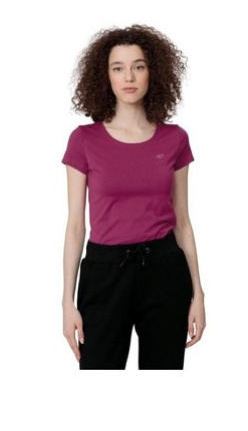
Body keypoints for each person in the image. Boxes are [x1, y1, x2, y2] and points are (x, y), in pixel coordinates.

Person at [61, 24, 205, 370]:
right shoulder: (84, 140)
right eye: (118, 68)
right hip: (104, 273)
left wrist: (198, 292)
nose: (129, 77)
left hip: (165, 270)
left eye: (138, 66)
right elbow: (76, 225)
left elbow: (182, 220)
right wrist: (67, 301)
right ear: (105, 76)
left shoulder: (175, 138)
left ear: (153, 72)